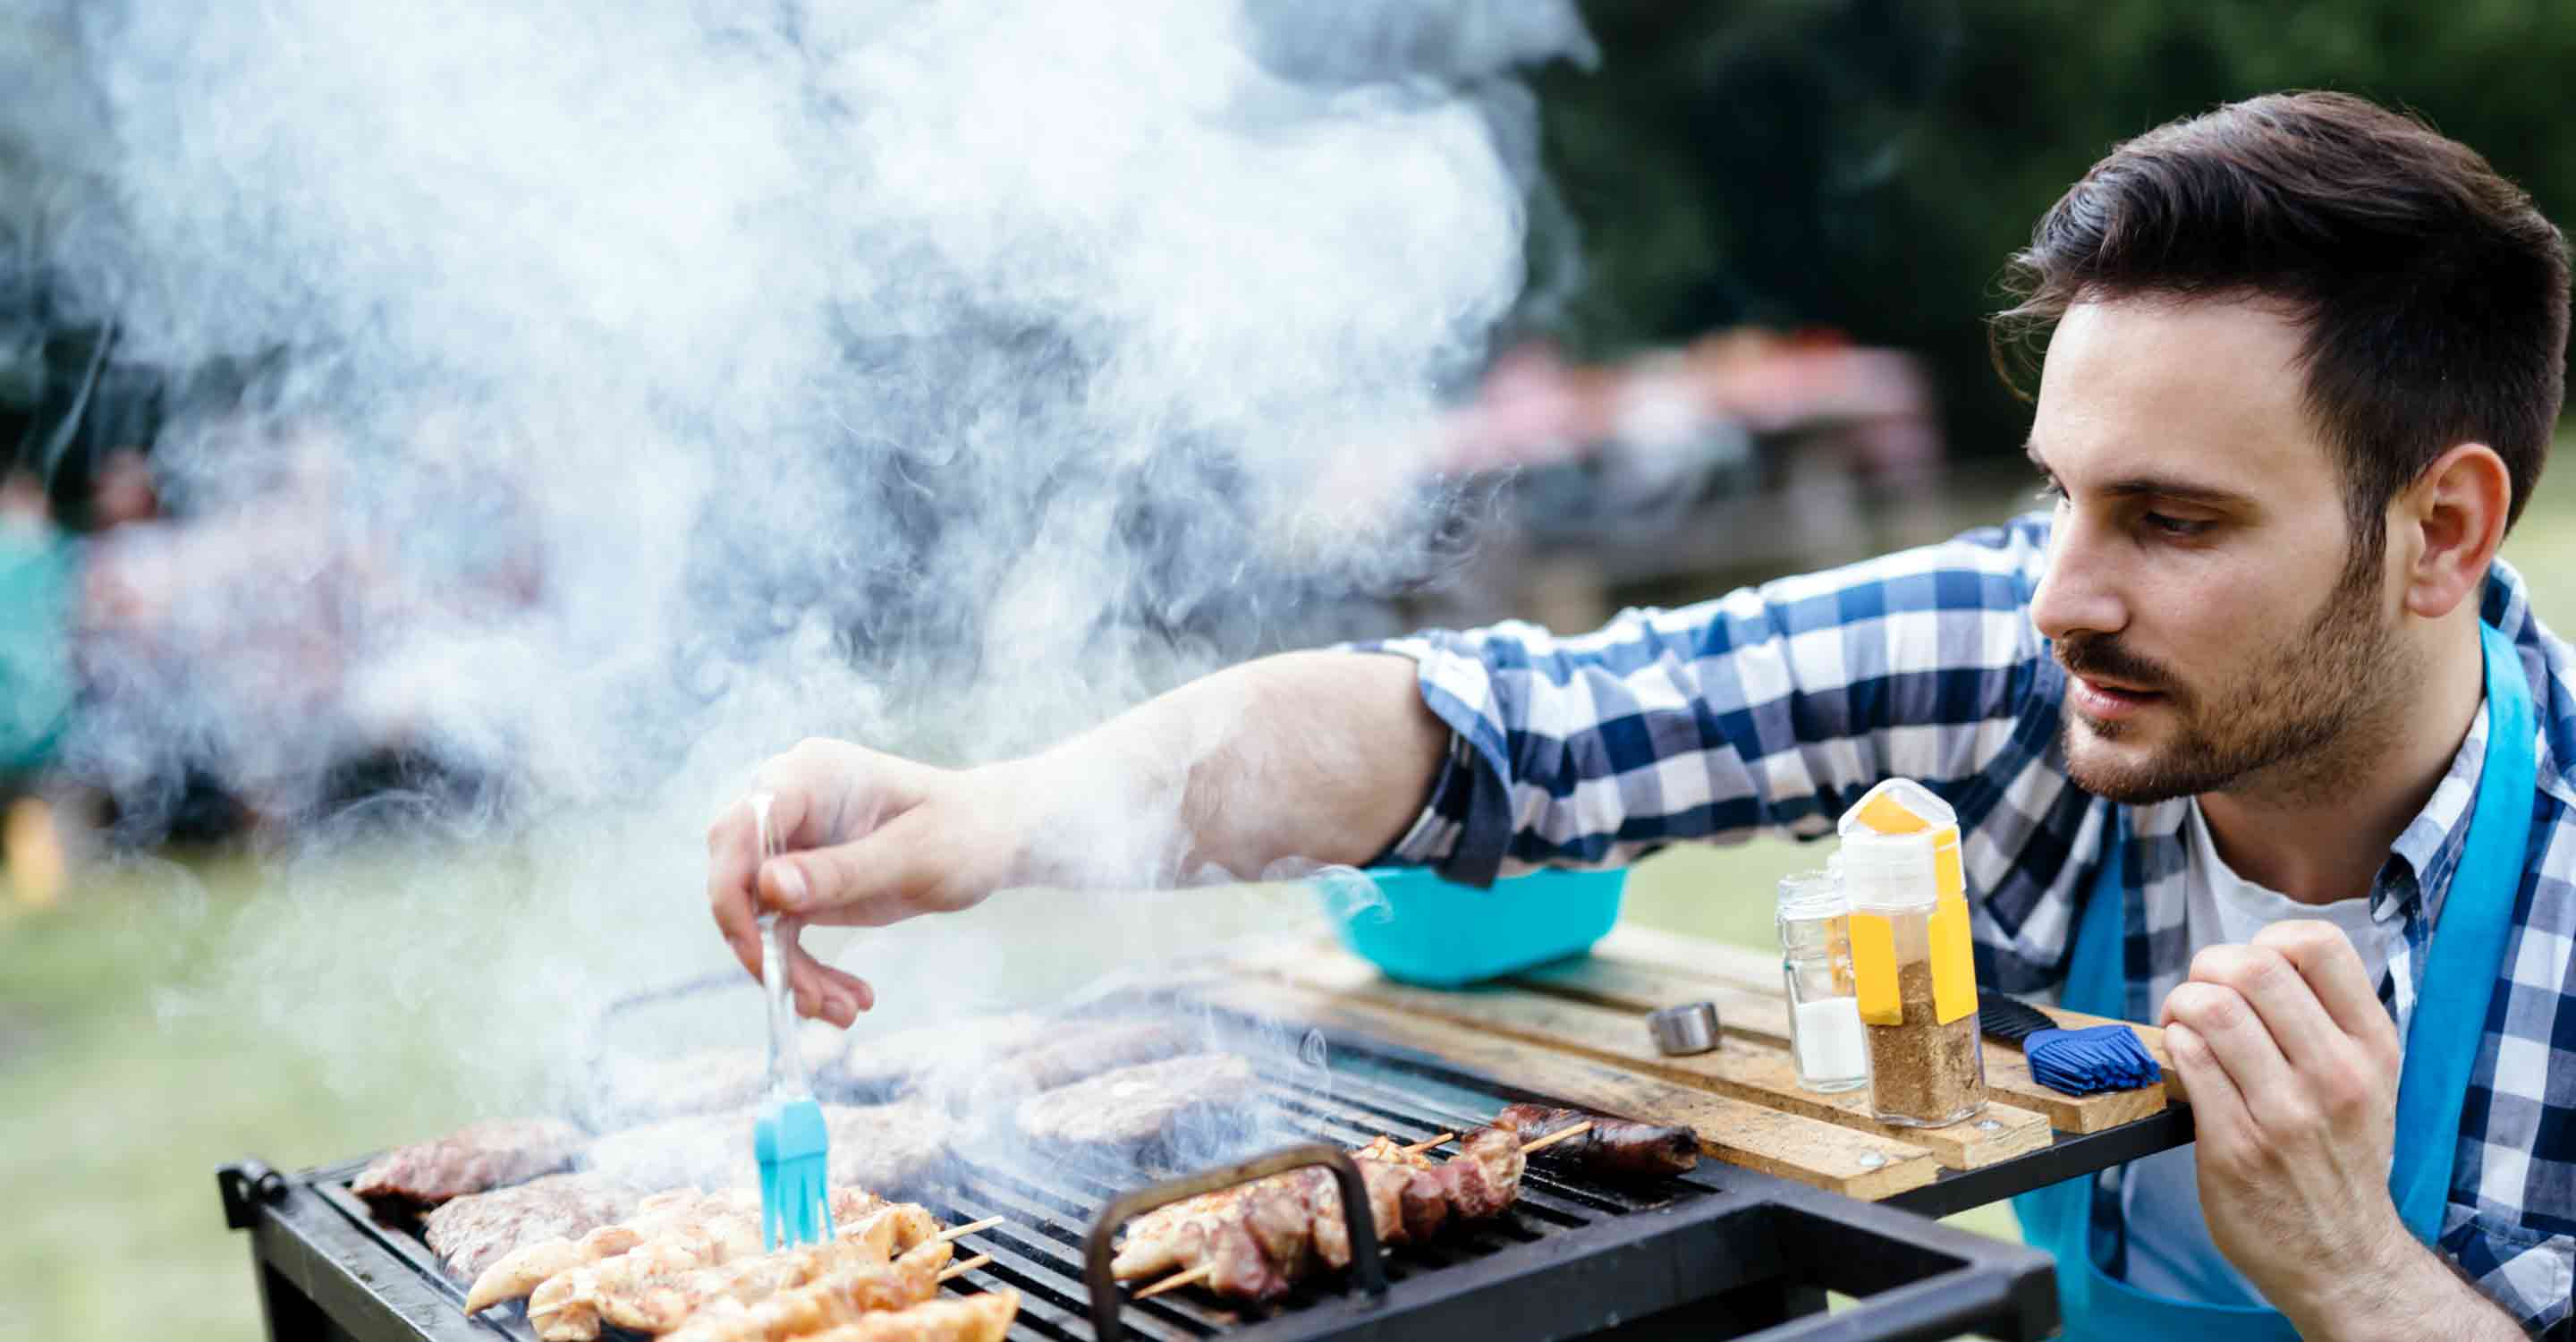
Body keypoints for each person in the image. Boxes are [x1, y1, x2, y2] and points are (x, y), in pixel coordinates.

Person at [705, 92, 2573, 1338]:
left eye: (2171, 521)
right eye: (2060, 491)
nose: (2060, 589)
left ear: (2442, 529)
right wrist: (995, 814)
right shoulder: (2048, 645)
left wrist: (2352, 1271)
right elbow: (1500, 729)